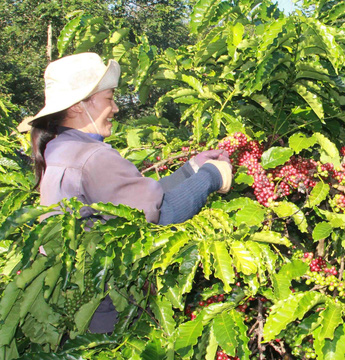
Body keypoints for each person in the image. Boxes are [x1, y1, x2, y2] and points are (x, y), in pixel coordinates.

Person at [27, 52, 233, 332]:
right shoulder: (92, 158)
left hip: (73, 304)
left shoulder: (61, 149)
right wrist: (211, 177)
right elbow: (161, 215)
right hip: (106, 312)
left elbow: (137, 200)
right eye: (109, 98)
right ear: (79, 106)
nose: (115, 108)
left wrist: (191, 169)